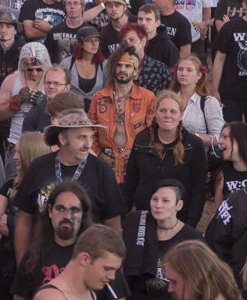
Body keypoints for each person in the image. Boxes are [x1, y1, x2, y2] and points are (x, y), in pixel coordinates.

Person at [12, 109, 125, 265]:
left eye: (91, 137)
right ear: (63, 138)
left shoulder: (102, 170)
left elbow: (113, 226)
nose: (88, 144)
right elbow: (24, 221)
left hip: (86, 264)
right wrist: (22, 267)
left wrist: (111, 267)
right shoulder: (39, 166)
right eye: (81, 138)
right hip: (42, 262)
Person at [122, 91, 207, 226]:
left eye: (173, 111)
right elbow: (131, 181)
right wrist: (123, 216)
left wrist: (191, 223)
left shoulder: (193, 145)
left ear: (181, 115)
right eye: (163, 110)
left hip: (179, 219)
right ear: (155, 113)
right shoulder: (141, 140)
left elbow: (198, 189)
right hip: (145, 214)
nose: (168, 115)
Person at [89, 47, 156, 186]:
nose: (122, 69)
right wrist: (94, 158)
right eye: (119, 65)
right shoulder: (99, 97)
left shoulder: (148, 98)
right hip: (105, 162)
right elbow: (92, 132)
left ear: (136, 72)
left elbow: (152, 133)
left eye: (128, 66)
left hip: (135, 162)